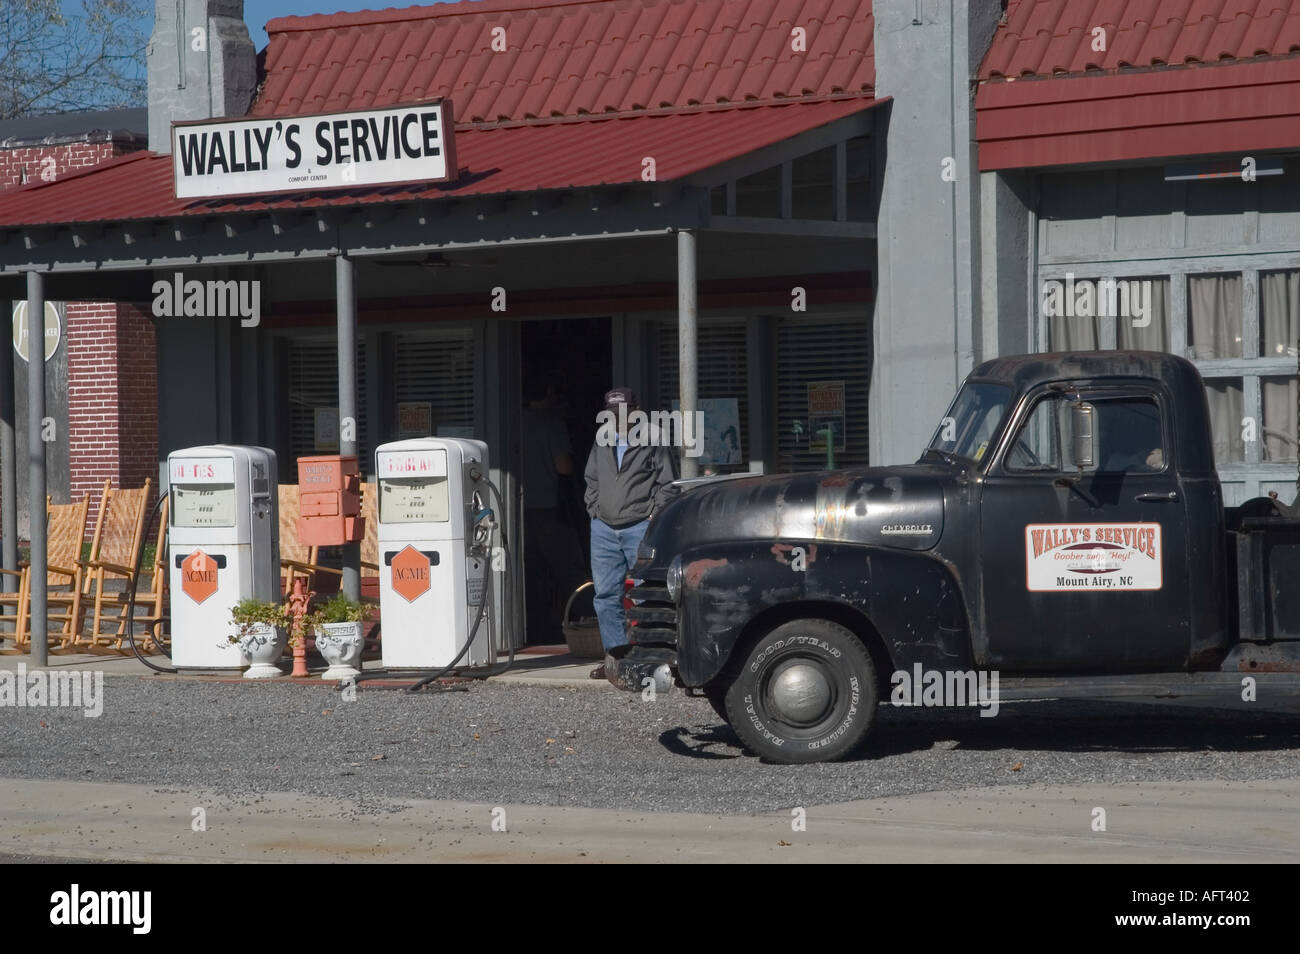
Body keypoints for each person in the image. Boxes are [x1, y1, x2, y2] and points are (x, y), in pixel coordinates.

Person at [584, 387, 679, 679]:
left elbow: (668, 483)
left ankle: (652, 659)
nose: (618, 418)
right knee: (605, 597)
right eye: (613, 413)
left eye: (623, 412)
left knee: (647, 595)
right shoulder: (602, 438)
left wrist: (653, 515)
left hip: (639, 526)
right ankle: (617, 660)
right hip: (603, 528)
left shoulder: (654, 437)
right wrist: (594, 508)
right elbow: (592, 477)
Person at [521, 381, 584, 644]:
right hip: (547, 507)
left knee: (530, 573)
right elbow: (564, 467)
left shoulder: (514, 420)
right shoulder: (551, 423)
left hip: (517, 509)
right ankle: (578, 627)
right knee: (567, 570)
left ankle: (530, 630)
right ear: (548, 392)